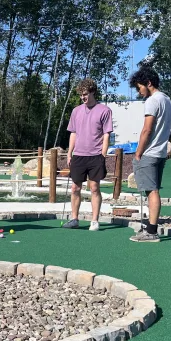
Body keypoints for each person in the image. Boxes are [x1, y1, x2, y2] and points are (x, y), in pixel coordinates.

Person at [128, 66, 171, 243]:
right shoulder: (167, 100)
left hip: (149, 153)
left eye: (140, 88)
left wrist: (138, 153)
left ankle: (152, 232)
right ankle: (150, 229)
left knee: (151, 192)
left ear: (148, 83)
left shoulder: (152, 101)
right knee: (152, 191)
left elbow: (147, 129)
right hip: (161, 152)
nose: (139, 92)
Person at [62, 78, 113, 231]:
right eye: (80, 95)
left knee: (94, 188)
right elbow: (73, 133)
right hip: (78, 155)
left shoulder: (104, 110)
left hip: (96, 155)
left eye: (85, 94)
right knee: (75, 188)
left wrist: (103, 155)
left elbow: (106, 135)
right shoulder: (76, 111)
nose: (83, 97)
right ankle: (74, 219)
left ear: (92, 92)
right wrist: (69, 153)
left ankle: (95, 221)